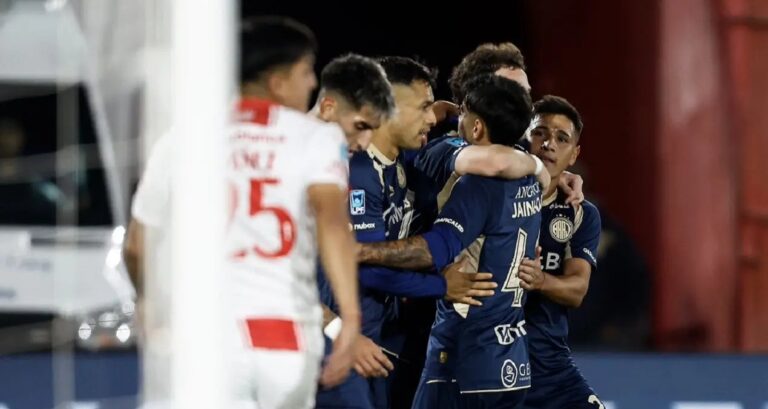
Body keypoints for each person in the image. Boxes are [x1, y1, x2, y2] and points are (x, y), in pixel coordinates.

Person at [125, 17, 361, 409]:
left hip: (203, 340)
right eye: (305, 71)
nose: (312, 84)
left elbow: (136, 246)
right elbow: (334, 228)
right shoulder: (316, 138)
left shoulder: (180, 138)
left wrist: (149, 302)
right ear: (277, 82)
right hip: (283, 337)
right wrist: (350, 319)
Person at [359, 75, 541, 409]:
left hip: (463, 355)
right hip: (511, 359)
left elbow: (433, 250)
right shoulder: (529, 177)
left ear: (475, 128)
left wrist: (360, 251)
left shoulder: (477, 183)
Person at [517, 96, 605, 409]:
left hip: (550, 366)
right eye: (540, 133)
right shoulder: (494, 194)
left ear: (574, 155)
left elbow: (577, 290)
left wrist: (540, 280)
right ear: (524, 138)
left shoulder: (579, 214)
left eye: (562, 138)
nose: (549, 144)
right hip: (492, 360)